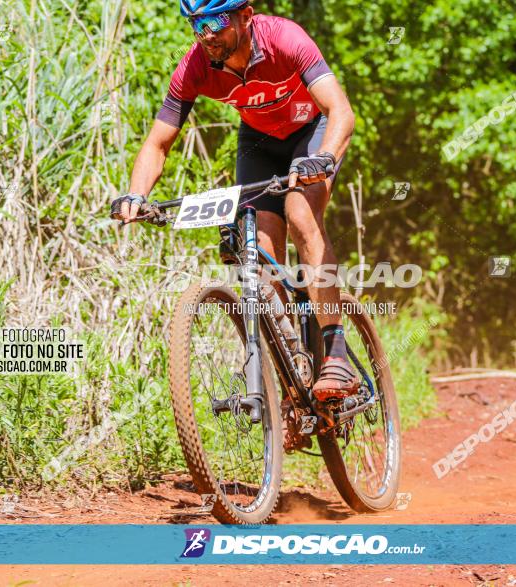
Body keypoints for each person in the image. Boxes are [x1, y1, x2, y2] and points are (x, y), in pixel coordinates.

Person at [111, 0, 358, 400]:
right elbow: (158, 143)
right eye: (196, 24)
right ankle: (293, 374)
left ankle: (334, 351)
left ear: (245, 15)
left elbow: (341, 110)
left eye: (215, 21)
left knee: (300, 212)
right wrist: (137, 195)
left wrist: (325, 158)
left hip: (312, 132)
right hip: (258, 143)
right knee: (257, 248)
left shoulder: (284, 38)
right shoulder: (194, 66)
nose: (206, 34)